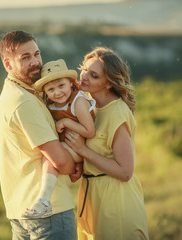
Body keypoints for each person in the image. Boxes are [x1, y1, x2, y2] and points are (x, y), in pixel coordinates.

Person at [0, 30, 80, 240]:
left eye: (36, 54)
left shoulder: (22, 93)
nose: (35, 62)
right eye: (25, 57)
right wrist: (76, 162)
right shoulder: (22, 101)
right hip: (49, 212)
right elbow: (62, 162)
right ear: (8, 64)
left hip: (22, 210)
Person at [65, 46, 149, 239]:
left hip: (116, 200)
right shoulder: (87, 107)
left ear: (109, 83)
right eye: (84, 69)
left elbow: (125, 172)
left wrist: (83, 151)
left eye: (93, 75)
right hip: (90, 196)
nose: (84, 76)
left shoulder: (117, 112)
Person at [21, 59, 96, 219]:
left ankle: (44, 200)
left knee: (50, 158)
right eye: (51, 89)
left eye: (61, 86)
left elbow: (90, 131)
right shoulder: (51, 104)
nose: (57, 92)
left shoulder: (79, 101)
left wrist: (66, 122)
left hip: (82, 146)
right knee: (49, 156)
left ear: (70, 83)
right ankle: (43, 198)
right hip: (68, 144)